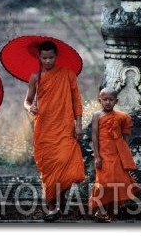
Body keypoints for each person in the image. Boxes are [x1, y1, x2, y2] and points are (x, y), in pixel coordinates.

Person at [24, 40, 85, 222]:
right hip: (44, 128)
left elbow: (76, 100)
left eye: (51, 57)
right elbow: (27, 100)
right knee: (49, 168)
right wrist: (30, 108)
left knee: (66, 164)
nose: (48, 61)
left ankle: (62, 197)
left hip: (65, 126)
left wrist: (79, 124)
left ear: (56, 57)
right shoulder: (36, 77)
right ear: (39, 57)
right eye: (44, 58)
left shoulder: (67, 74)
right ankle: (52, 208)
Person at [88, 87, 140, 222]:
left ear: (116, 101)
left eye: (111, 100)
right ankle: (100, 210)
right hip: (103, 155)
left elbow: (126, 137)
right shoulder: (97, 116)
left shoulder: (122, 117)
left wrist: (124, 155)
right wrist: (97, 156)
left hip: (117, 154)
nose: (107, 102)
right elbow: (94, 136)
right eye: (105, 100)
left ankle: (109, 213)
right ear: (100, 100)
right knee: (103, 183)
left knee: (116, 182)